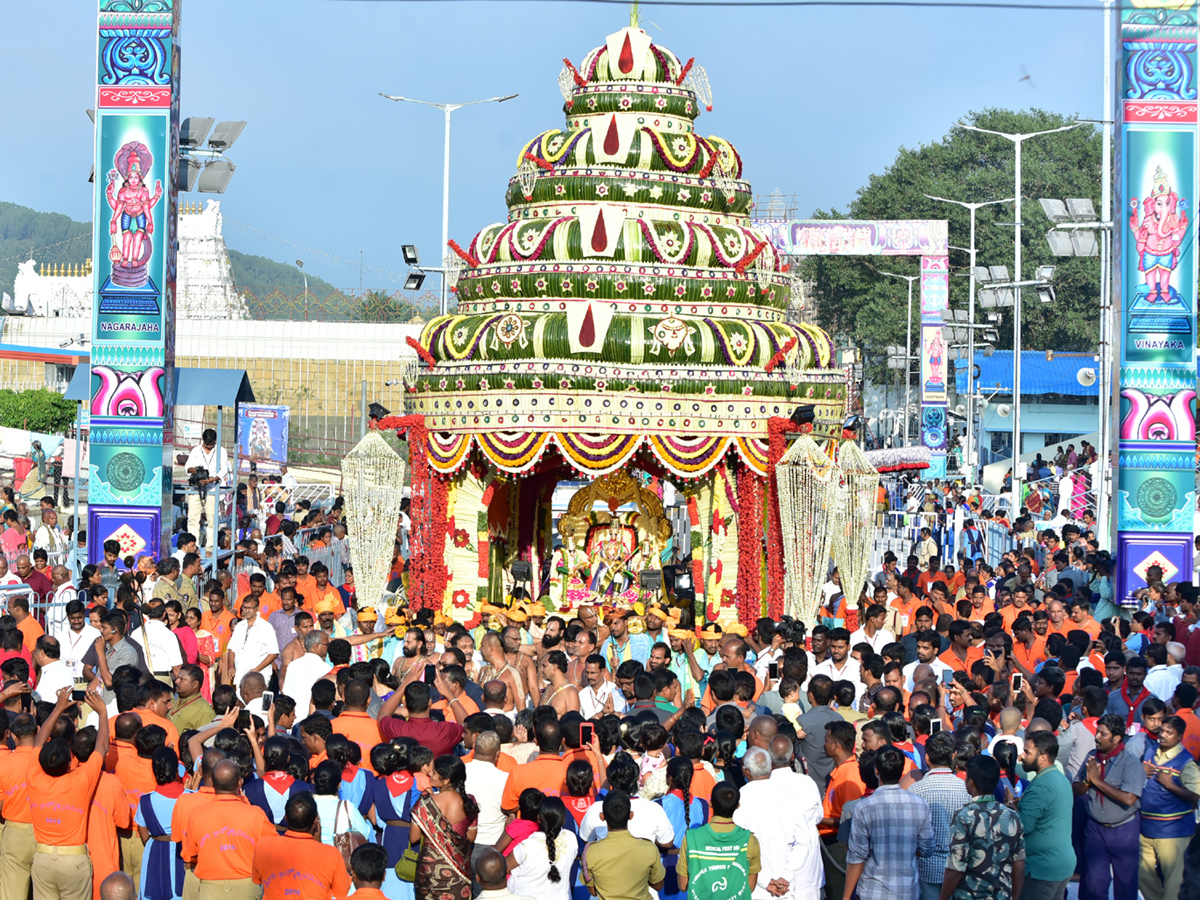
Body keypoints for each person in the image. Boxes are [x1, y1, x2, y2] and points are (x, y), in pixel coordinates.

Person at [27, 687, 110, 900]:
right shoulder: (80, 779)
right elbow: (101, 748)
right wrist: (102, 713)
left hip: (43, 858)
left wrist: (58, 709)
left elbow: (38, 741)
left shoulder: (33, 777)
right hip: (73, 860)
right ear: (69, 763)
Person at [843, 745, 935, 900]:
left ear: (876, 771)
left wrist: (845, 897)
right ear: (901, 771)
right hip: (908, 891)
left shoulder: (864, 807)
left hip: (873, 891)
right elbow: (927, 848)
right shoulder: (920, 804)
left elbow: (856, 857)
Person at [1072, 713, 1145, 900]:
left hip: (1124, 830)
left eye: (1103, 734)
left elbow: (1129, 799)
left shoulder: (1130, 763)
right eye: (1097, 732)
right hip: (1096, 829)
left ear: (1116, 738)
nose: (1097, 737)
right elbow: (1076, 789)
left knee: (1125, 886)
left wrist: (1097, 781)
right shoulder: (1091, 757)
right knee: (1094, 885)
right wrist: (1088, 782)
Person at [942, 755, 1026, 900]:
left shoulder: (964, 816)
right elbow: (1019, 866)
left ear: (970, 782)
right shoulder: (1013, 816)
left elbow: (956, 867)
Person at [1138, 714, 1200, 900]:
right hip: (1146, 829)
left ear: (1179, 737)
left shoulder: (1186, 763)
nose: (1163, 735)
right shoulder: (1150, 752)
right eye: (1162, 730)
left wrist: (1170, 784)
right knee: (1142, 875)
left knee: (1174, 884)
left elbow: (1195, 796)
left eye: (1169, 732)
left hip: (1174, 833)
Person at [250, 791, 349, 900]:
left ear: (286, 817)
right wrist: (319, 844)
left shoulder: (264, 846)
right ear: (316, 820)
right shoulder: (332, 854)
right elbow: (341, 892)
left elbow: (257, 879)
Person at [909, 731, 971, 900]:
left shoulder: (915, 791)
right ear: (954, 755)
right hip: (958, 867)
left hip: (926, 868)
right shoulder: (966, 789)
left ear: (927, 757)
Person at [1017, 731, 1076, 900]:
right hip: (1060, 865)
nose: (1022, 756)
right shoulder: (1059, 777)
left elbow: (1024, 826)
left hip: (1042, 869)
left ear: (1042, 757)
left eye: (1027, 752)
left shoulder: (1041, 786)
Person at [410, 755, 478, 900]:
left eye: (434, 772)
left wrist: (432, 832)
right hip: (459, 872)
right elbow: (471, 837)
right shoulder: (469, 802)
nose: (430, 774)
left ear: (446, 780)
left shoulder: (425, 803)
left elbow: (413, 837)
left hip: (429, 872)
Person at [731, 748, 795, 900]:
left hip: (756, 886)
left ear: (746, 771)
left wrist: (766, 881)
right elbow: (803, 842)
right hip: (787, 885)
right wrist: (786, 876)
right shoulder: (789, 795)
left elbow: (739, 847)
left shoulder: (740, 798)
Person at [681, 781, 761, 900]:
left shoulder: (691, 837)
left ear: (710, 803)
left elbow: (683, 885)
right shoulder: (749, 840)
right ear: (737, 806)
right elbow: (750, 886)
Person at [582, 791, 665, 900]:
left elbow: (593, 891)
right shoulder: (649, 848)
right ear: (631, 815)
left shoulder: (590, 852)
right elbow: (658, 885)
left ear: (602, 817)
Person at [135, 747, 186, 900]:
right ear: (177, 770)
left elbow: (144, 835)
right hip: (182, 853)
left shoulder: (145, 800)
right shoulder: (189, 797)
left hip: (155, 853)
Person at [507, 796, 578, 900]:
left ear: (538, 819)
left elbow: (503, 868)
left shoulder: (526, 847)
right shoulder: (571, 839)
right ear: (563, 820)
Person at [184, 429, 230, 553]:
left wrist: (211, 480)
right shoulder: (195, 450)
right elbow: (187, 467)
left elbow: (224, 469)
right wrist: (195, 471)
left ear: (215, 441)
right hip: (196, 488)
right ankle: (193, 548)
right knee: (193, 519)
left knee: (212, 519)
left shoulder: (221, 451)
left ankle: (210, 547)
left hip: (212, 488)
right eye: (206, 445)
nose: (209, 447)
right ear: (203, 441)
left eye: (211, 445)